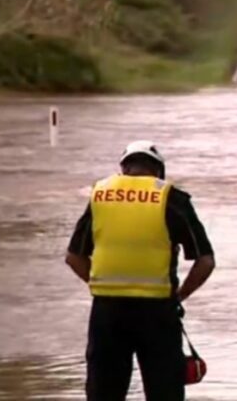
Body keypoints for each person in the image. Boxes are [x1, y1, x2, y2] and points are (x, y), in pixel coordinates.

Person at [65, 140, 216, 401]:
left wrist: (100, 284)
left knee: (104, 394)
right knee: (164, 392)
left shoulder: (101, 195)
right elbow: (205, 261)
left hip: (107, 312)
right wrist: (179, 295)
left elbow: (74, 257)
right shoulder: (170, 197)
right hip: (157, 314)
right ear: (158, 170)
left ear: (124, 168)